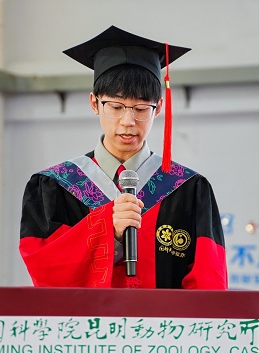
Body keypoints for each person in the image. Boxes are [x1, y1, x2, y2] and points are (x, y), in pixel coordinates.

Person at [19, 26, 227, 290]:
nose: (128, 121)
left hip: (163, 319)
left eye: (141, 108)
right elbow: (45, 270)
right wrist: (108, 230)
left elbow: (209, 285)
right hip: (88, 319)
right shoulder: (55, 187)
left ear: (158, 108)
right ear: (94, 103)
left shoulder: (189, 190)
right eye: (116, 107)